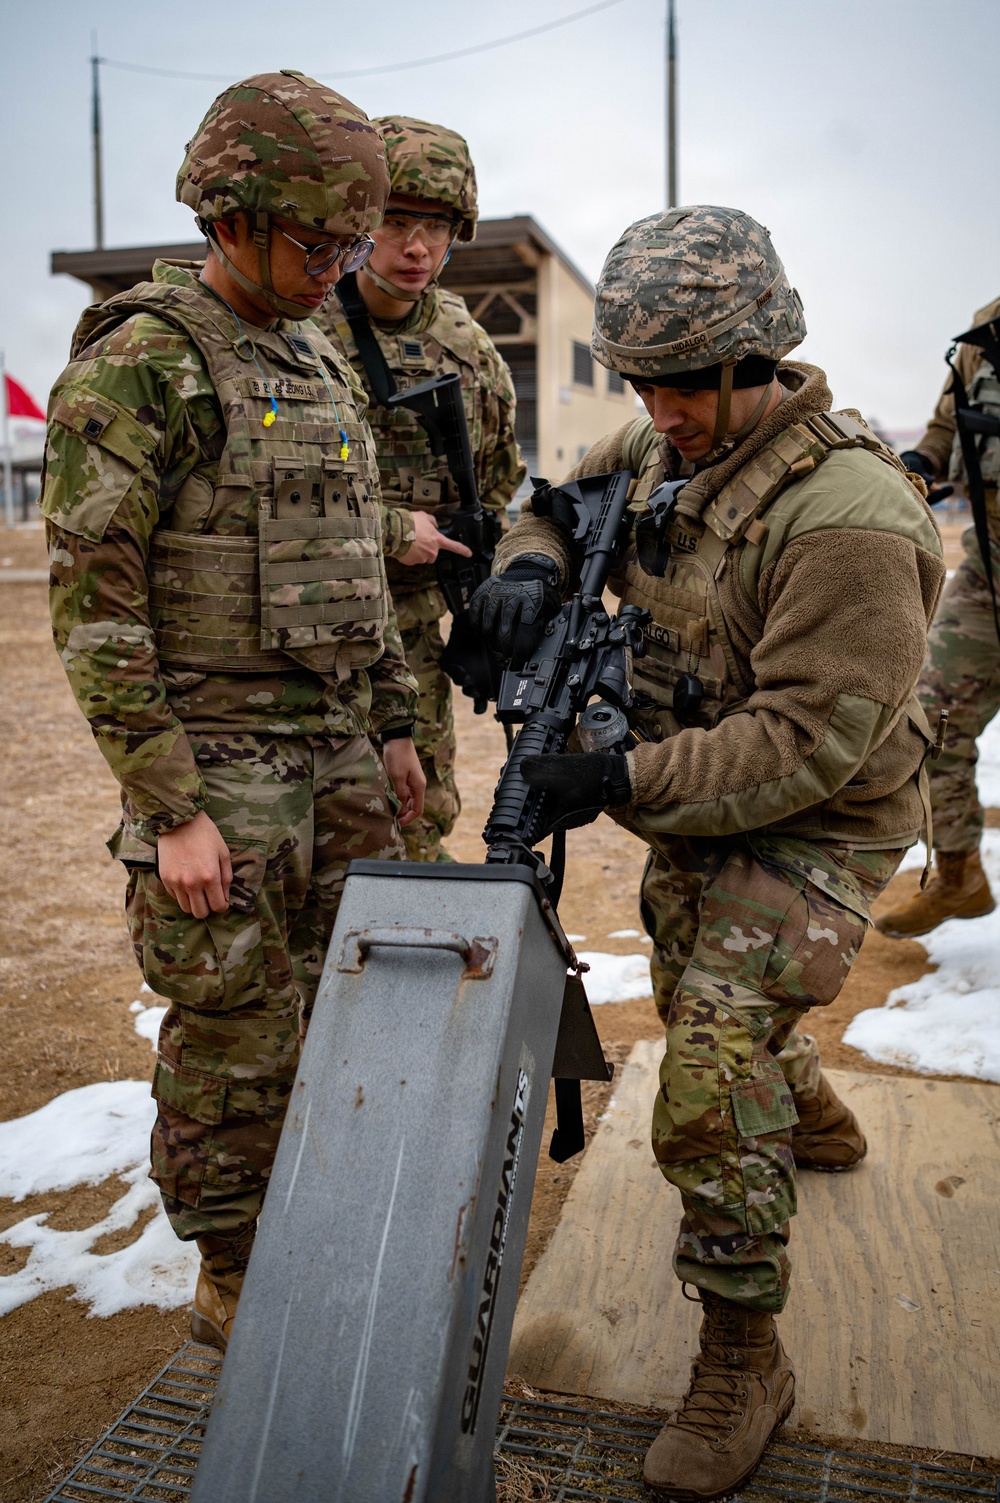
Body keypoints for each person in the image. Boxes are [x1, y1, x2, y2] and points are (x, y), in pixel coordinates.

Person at [472, 206, 943, 1499]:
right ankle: (811, 1110)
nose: (656, 409)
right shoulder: (668, 433)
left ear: (755, 361)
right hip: (692, 794)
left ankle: (743, 1352)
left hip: (815, 815)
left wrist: (613, 777)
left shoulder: (853, 516)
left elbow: (801, 744)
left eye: (680, 384)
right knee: (694, 987)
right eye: (641, 382)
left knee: (711, 1048)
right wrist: (526, 563)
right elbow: (559, 500)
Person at [40, 71, 424, 1352]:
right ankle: (237, 1278)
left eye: (349, 246)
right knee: (235, 1036)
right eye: (316, 244)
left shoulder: (313, 354)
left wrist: (396, 725)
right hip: (219, 771)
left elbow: (354, 562)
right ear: (231, 216)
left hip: (338, 751)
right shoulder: (147, 360)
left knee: (361, 1003)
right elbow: (95, 604)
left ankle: (329, 1216)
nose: (337, 271)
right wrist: (172, 809)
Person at [315, 116, 524, 861]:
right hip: (307, 620)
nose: (416, 248)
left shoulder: (468, 350)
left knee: (417, 815)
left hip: (415, 634)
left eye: (435, 227)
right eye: (395, 222)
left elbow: (501, 482)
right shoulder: (307, 332)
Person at [875, 294, 1000, 938]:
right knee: (932, 720)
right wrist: (920, 463)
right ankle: (959, 878)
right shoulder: (988, 329)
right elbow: (949, 426)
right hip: (989, 569)